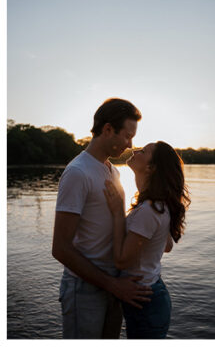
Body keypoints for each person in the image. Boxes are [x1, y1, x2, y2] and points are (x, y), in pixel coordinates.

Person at [52, 98, 149, 339]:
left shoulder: (113, 171)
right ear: (107, 130)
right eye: (127, 136)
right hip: (85, 289)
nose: (130, 144)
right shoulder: (78, 172)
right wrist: (113, 285)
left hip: (113, 287)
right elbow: (60, 249)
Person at [103, 142, 190, 339]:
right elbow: (166, 246)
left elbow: (122, 261)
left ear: (151, 167)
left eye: (143, 151)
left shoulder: (150, 209)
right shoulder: (158, 205)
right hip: (151, 293)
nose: (135, 150)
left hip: (145, 301)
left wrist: (118, 213)